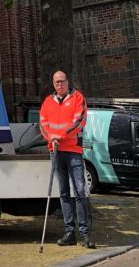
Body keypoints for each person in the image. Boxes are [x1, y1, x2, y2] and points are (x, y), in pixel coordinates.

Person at [39, 69, 95, 249]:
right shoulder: (48, 102)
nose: (60, 85)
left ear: (67, 82)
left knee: (79, 191)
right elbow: (43, 124)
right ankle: (69, 232)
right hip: (55, 151)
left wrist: (60, 136)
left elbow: (79, 122)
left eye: (62, 81)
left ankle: (85, 233)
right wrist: (51, 138)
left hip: (73, 151)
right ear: (53, 84)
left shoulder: (78, 98)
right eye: (57, 82)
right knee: (63, 193)